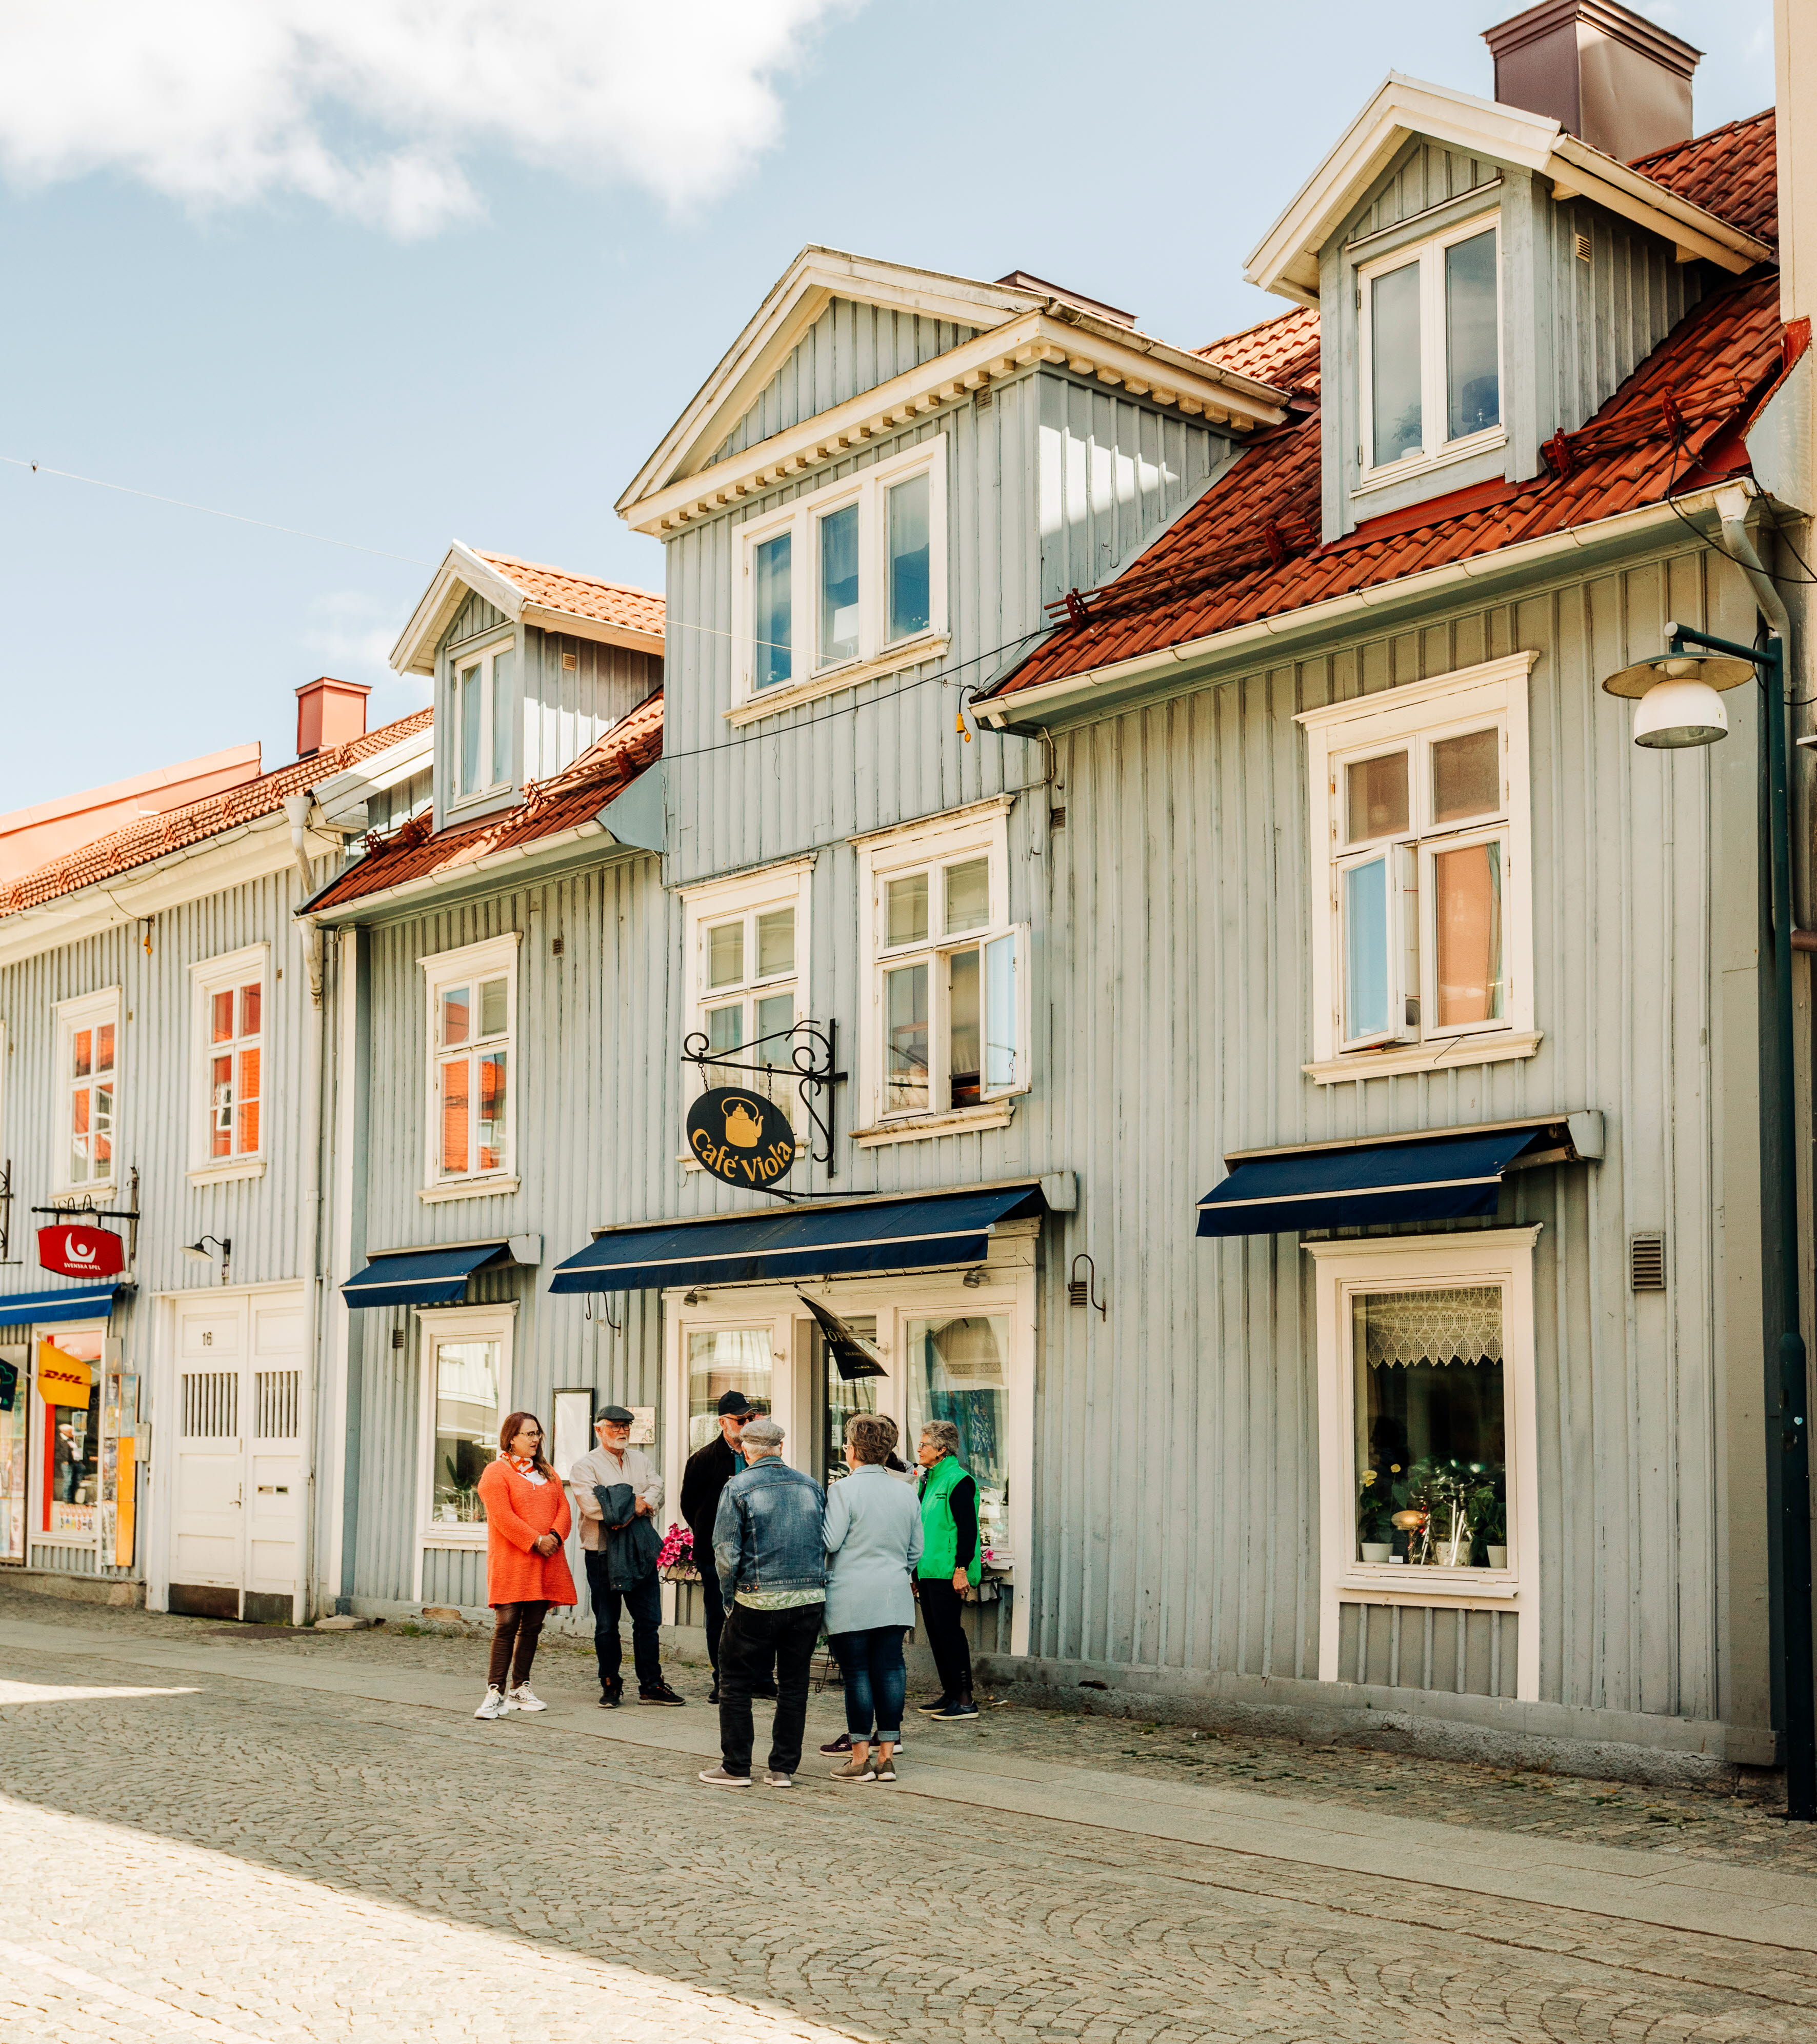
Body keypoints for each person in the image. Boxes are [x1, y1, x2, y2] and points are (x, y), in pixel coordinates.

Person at [698, 1415, 825, 1789]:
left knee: (736, 1682)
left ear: (744, 1450)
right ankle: (783, 1768)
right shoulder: (811, 1486)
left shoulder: (738, 1487)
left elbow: (726, 1553)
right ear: (780, 1448)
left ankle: (736, 1766)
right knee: (794, 1684)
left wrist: (729, 1600)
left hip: (757, 1598)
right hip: (808, 1598)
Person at [822, 1412, 923, 1783]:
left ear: (853, 1450)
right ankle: (887, 1757)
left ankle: (859, 1758)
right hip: (893, 1592)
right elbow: (916, 1550)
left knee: (857, 1674)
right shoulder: (906, 1491)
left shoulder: (843, 1490)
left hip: (851, 1592)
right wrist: (894, 1569)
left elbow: (830, 1541)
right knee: (891, 1669)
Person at [569, 1404, 684, 1708]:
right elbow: (592, 1506)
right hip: (602, 1553)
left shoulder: (641, 1460)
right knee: (607, 1624)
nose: (622, 1431)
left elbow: (657, 1488)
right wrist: (636, 1503)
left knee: (648, 1621)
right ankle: (610, 1684)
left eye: (626, 1426)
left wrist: (621, 1500)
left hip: (639, 1550)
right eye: (614, 1426)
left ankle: (651, 1685)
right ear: (599, 1430)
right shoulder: (585, 1466)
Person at [473, 1411, 576, 1719]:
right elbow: (502, 1516)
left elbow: (564, 1508)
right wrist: (535, 1540)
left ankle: (520, 1689)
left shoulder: (547, 1472)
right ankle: (495, 1693)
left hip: (546, 1561)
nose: (535, 1439)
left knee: (532, 1626)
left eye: (537, 1433)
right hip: (512, 1562)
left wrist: (554, 1537)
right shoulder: (496, 1472)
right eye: (529, 1434)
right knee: (506, 1625)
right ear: (511, 1439)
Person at [680, 1390, 775, 1706]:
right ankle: (723, 1679)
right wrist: (713, 1537)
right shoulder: (703, 1459)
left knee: (761, 1614)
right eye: (741, 1420)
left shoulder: (761, 1456)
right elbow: (689, 1506)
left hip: (757, 1550)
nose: (747, 1424)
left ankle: (762, 1678)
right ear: (723, 1422)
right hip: (715, 1553)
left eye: (751, 1418)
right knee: (720, 1616)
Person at [914, 1419, 981, 1720]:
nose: (919, 1449)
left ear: (942, 1449)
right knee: (936, 1634)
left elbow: (968, 1530)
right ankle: (951, 1692)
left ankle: (965, 1699)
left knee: (950, 1633)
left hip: (948, 1571)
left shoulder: (958, 1480)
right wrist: (915, 1573)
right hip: (928, 1570)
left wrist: (961, 1568)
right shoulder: (928, 1480)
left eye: (924, 1444)